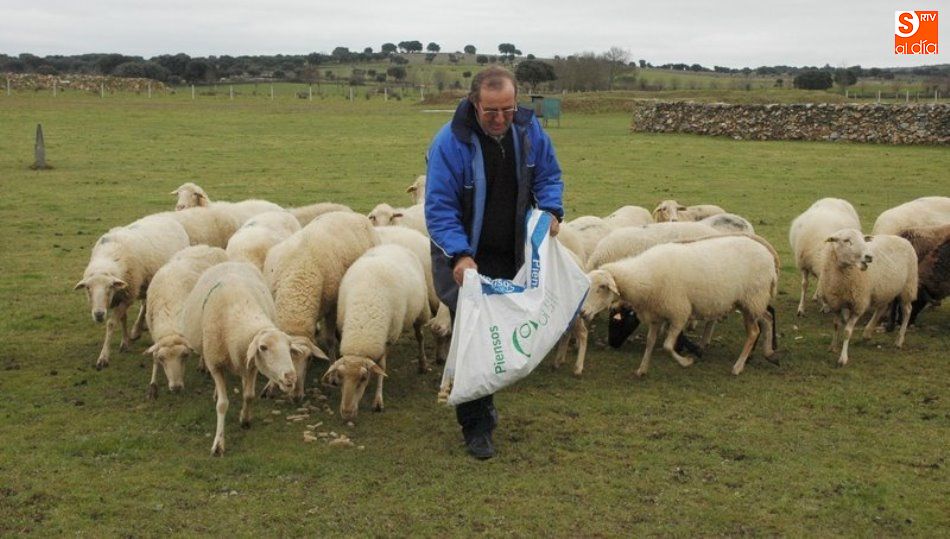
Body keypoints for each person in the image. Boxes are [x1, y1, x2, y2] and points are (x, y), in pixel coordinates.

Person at [424, 66, 564, 460]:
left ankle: (485, 397)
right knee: (471, 335)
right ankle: (476, 424)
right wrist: (459, 254)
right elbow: (439, 207)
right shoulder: (451, 143)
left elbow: (549, 176)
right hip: (465, 257)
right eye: (491, 112)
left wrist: (551, 210)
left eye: (508, 109)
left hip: (511, 251)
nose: (501, 119)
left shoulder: (528, 130)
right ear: (474, 103)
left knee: (498, 330)